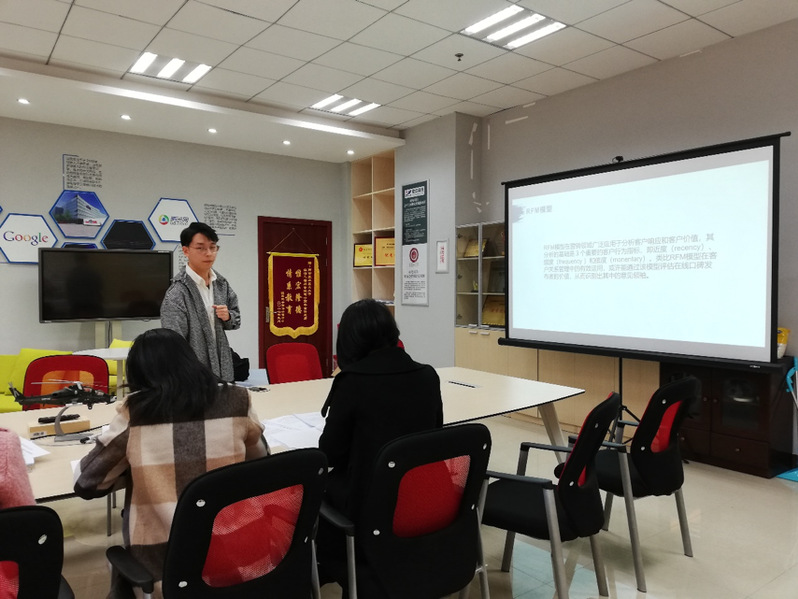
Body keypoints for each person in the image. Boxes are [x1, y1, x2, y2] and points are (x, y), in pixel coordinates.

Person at [74, 328, 268, 599]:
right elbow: (260, 459)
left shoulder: (136, 412)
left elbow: (87, 481)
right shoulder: (237, 399)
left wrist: (138, 469)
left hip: (166, 571)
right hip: (241, 558)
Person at [316, 299, 443, 595]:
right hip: (421, 499)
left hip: (368, 506)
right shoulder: (427, 375)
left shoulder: (353, 382)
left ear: (349, 340)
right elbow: (434, 435)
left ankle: (323, 569)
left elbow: (330, 453)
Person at [160, 222, 240, 382]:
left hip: (223, 370)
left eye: (213, 247)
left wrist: (228, 317)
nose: (208, 253)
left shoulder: (221, 284)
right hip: (193, 376)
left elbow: (236, 320)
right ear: (186, 251)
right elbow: (174, 344)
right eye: (200, 248)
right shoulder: (177, 293)